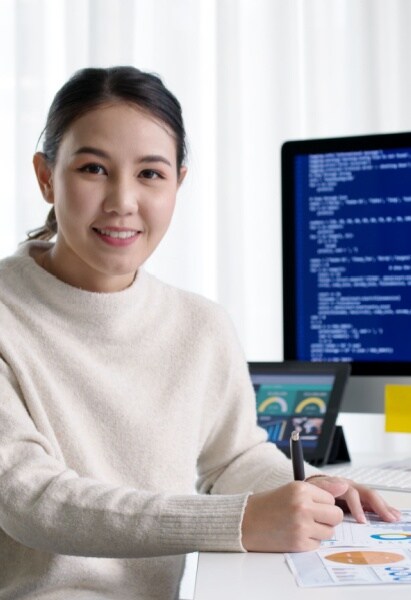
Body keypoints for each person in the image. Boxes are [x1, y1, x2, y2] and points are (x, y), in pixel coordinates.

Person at [0, 66, 400, 600]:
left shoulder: (200, 325)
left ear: (178, 183)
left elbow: (234, 459)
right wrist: (240, 521)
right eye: (94, 168)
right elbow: (30, 501)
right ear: (46, 176)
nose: (122, 200)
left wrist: (305, 488)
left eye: (150, 174)